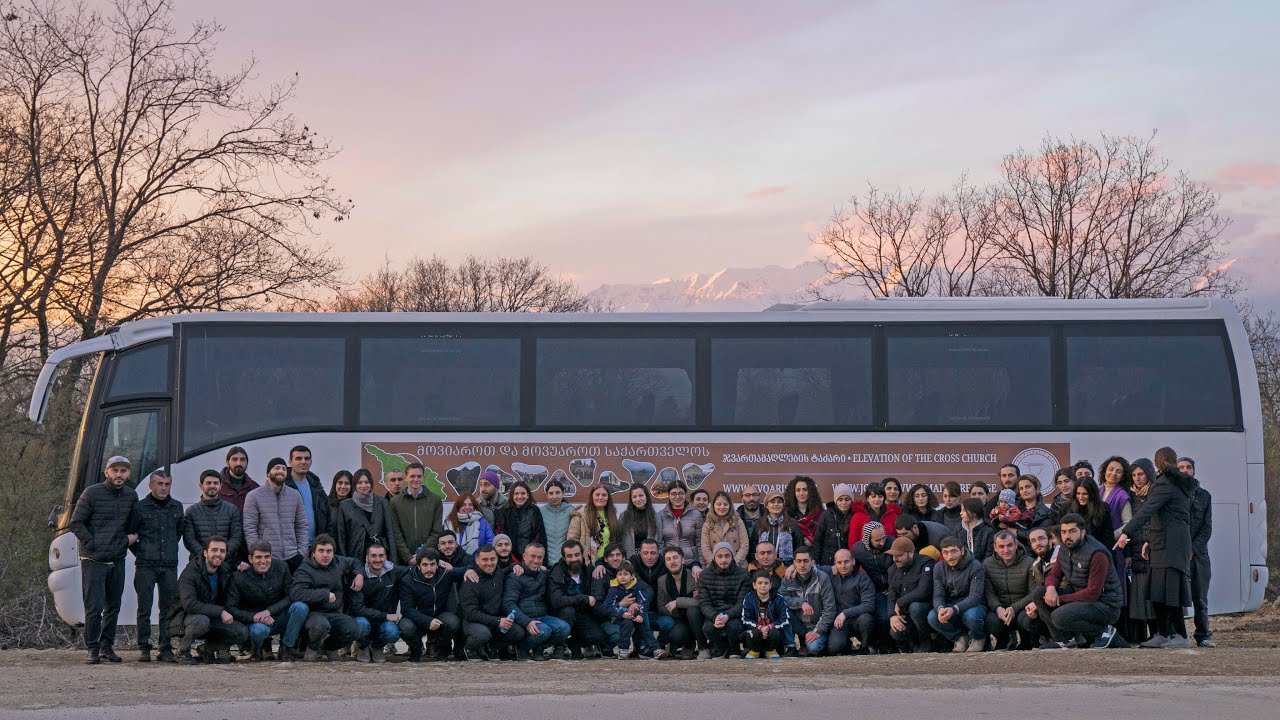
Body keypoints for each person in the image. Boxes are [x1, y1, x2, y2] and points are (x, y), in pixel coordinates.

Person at [1115, 447, 1197, 650]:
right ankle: (1163, 633)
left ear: (1159, 461)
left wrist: (1126, 534)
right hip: (1164, 543)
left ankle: (1179, 634)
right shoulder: (1176, 483)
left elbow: (1146, 511)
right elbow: (1164, 517)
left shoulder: (1166, 483)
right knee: (1160, 589)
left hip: (1170, 545)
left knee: (1171, 590)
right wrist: (1149, 541)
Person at [71, 455, 139, 664]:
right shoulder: (91, 493)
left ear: (128, 473)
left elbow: (132, 526)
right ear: (106, 472)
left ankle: (106, 647)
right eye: (115, 470)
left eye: (123, 471)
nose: (119, 474)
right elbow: (76, 523)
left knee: (113, 605)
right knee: (94, 607)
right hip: (92, 560)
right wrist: (93, 544)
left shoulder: (131, 496)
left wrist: (129, 540)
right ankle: (91, 648)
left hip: (117, 558)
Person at [1038, 513, 1123, 649]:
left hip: (1105, 604)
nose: (1067, 536)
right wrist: (1050, 589)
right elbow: (1054, 575)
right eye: (1064, 532)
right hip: (1081, 598)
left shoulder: (1097, 553)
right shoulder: (1064, 548)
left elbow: (1092, 593)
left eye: (1072, 531)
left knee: (1059, 616)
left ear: (1083, 532)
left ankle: (1104, 631)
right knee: (1039, 593)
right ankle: (1065, 640)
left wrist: (1059, 598)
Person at [167, 535, 249, 664]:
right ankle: (182, 651)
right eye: (214, 550)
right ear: (205, 553)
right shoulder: (190, 572)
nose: (218, 554)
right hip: (184, 617)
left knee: (242, 632)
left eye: (222, 551)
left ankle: (206, 649)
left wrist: (244, 568)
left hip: (211, 617)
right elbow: (190, 604)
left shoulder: (225, 570)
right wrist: (221, 612)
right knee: (202, 621)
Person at [129, 468, 182, 663]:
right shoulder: (140, 508)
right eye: (159, 484)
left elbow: (178, 534)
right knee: (144, 608)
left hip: (169, 565)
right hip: (145, 565)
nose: (164, 487)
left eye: (167, 484)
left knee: (167, 608)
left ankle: (165, 647)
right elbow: (131, 536)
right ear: (151, 485)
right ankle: (144, 647)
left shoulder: (177, 507)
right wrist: (143, 553)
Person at [227, 540, 303, 661]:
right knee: (258, 631)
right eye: (258, 557)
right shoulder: (239, 577)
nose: (263, 561)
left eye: (267, 556)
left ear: (271, 556)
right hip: (256, 621)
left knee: (300, 607)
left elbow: (292, 594)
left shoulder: (281, 567)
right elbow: (231, 608)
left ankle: (286, 647)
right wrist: (255, 616)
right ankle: (257, 648)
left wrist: (269, 611)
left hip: (279, 616)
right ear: (250, 559)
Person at [289, 534, 362, 661]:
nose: (325, 555)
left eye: (329, 551)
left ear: (333, 553)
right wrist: (324, 595)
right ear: (313, 553)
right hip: (313, 614)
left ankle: (329, 648)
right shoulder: (304, 569)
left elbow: (355, 562)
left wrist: (359, 574)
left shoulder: (339, 562)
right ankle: (312, 649)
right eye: (321, 551)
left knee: (354, 629)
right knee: (321, 625)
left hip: (333, 613)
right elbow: (296, 593)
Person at [502, 542, 571, 661]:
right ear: (524, 556)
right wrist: (527, 622)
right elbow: (508, 604)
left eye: (539, 557)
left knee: (564, 628)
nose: (536, 560)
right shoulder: (515, 577)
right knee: (544, 631)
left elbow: (561, 568)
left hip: (542, 617)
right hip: (523, 620)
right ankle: (521, 648)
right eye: (532, 556)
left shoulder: (544, 574)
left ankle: (538, 648)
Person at [459, 544, 525, 660]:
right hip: (473, 622)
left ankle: (490, 648)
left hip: (494, 621)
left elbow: (506, 570)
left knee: (518, 632)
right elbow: (470, 613)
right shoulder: (470, 581)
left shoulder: (498, 572)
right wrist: (498, 621)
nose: (489, 563)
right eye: (485, 559)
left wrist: (515, 565)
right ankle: (470, 648)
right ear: (477, 560)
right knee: (482, 634)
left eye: (492, 559)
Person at [243, 457, 309, 572]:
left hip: (293, 557)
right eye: (276, 468)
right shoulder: (254, 496)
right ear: (268, 473)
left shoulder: (295, 495)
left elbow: (302, 525)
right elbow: (250, 528)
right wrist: (257, 554)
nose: (281, 471)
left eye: (284, 469)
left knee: (293, 589)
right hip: (268, 558)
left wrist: (301, 553)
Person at [398, 548, 462, 661]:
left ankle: (442, 651)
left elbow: (465, 569)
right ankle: (416, 650)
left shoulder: (445, 574)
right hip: (417, 618)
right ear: (418, 565)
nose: (429, 569)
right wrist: (427, 621)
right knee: (404, 627)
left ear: (438, 565)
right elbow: (407, 609)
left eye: (432, 564)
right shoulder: (408, 580)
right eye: (425, 565)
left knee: (453, 621)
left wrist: (469, 571)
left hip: (439, 617)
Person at [548, 539, 608, 658]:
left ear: (582, 555)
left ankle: (580, 644)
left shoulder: (589, 570)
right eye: (569, 556)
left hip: (583, 613)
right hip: (562, 614)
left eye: (577, 555)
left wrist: (600, 565)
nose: (574, 559)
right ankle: (560, 646)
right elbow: (556, 601)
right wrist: (583, 598)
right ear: (564, 558)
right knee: (568, 611)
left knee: (597, 636)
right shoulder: (557, 572)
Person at [928, 536, 987, 653]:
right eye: (945, 553)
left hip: (974, 605)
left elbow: (976, 596)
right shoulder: (938, 567)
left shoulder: (975, 566)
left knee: (972, 616)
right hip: (951, 605)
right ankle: (959, 638)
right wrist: (940, 608)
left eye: (954, 551)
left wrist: (954, 609)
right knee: (933, 617)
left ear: (962, 550)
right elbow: (938, 595)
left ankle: (978, 637)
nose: (950, 557)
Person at [350, 541, 406, 663]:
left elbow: (415, 569)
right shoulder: (359, 577)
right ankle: (363, 646)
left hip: (384, 622)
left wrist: (439, 562)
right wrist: (385, 615)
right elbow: (358, 608)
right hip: (364, 619)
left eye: (381, 556)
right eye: (373, 556)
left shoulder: (394, 572)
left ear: (385, 557)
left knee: (392, 632)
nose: (377, 559)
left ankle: (376, 646)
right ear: (367, 558)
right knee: (360, 625)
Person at [1122, 457, 1157, 643]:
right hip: (1136, 553)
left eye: (1141, 474)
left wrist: (1150, 540)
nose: (1137, 478)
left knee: (1154, 597)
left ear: (1149, 474)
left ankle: (1158, 634)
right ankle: (1140, 638)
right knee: (1139, 599)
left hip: (1154, 551)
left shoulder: (1156, 493)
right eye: (1134, 475)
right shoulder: (1130, 497)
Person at [983, 530, 1037, 650]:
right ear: (995, 548)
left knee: (1028, 618)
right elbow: (989, 592)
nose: (1006, 550)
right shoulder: (987, 564)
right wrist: (997, 608)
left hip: (1022, 607)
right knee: (989, 620)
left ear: (1016, 544)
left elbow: (1033, 592)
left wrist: (1014, 607)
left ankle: (1027, 641)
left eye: (1009, 545)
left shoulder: (1029, 562)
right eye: (1001, 546)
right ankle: (1003, 640)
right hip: (1001, 609)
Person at [1181, 456, 1214, 647]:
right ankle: (1178, 635)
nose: (1185, 470)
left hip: (1199, 556)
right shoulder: (1173, 494)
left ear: (1193, 471)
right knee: (1176, 598)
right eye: (1181, 467)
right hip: (1177, 554)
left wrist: (1193, 549)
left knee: (1200, 597)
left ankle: (1203, 636)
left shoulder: (1204, 495)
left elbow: (1207, 527)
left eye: (1188, 467)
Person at [780, 545, 836, 656]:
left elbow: (830, 609)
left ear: (812, 562)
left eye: (806, 561)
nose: (802, 565)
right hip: (799, 625)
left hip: (817, 625)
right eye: (799, 561)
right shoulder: (788, 578)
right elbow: (781, 599)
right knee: (782, 609)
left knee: (814, 648)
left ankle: (819, 642)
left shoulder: (822, 578)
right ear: (794, 563)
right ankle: (790, 645)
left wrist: (817, 631)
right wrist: (801, 603)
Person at [335, 468, 399, 565]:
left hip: (379, 557)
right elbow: (341, 538)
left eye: (367, 482)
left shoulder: (382, 503)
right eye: (360, 482)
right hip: (355, 557)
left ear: (371, 483)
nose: (363, 485)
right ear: (354, 485)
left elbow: (390, 533)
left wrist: (393, 561)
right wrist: (344, 563)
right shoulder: (345, 506)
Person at [698, 542, 750, 658]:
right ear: (714, 557)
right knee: (709, 627)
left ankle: (734, 649)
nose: (723, 560)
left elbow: (742, 602)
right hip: (714, 613)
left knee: (733, 626)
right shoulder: (705, 575)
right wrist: (715, 616)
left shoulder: (743, 574)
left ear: (732, 556)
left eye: (727, 556)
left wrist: (728, 615)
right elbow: (704, 602)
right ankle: (720, 648)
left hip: (734, 614)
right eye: (719, 556)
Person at [183, 469, 245, 567]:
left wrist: (221, 555)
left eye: (215, 483)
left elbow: (236, 537)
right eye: (208, 483)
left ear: (220, 486)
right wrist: (207, 557)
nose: (212, 485)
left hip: (226, 564)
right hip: (199, 564)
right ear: (201, 486)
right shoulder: (191, 511)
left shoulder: (232, 509)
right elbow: (189, 539)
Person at [886, 537, 934, 653]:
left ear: (911, 553)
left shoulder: (926, 563)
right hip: (905, 613)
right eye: (893, 556)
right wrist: (892, 616)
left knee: (915, 608)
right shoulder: (892, 570)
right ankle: (912, 644)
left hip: (926, 608)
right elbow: (891, 595)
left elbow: (924, 590)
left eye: (899, 555)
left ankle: (927, 640)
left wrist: (900, 601)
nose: (895, 559)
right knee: (895, 631)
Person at [654, 545, 703, 659]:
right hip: (678, 618)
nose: (672, 562)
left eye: (675, 557)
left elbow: (700, 602)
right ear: (665, 563)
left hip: (698, 618)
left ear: (683, 559)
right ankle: (687, 646)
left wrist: (677, 602)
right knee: (676, 634)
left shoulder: (694, 576)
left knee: (692, 611)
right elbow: (661, 606)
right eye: (668, 559)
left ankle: (703, 647)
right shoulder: (662, 581)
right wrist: (679, 612)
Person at [604, 561, 659, 659]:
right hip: (619, 617)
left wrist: (640, 614)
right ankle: (623, 650)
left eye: (626, 574)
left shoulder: (637, 587)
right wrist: (622, 613)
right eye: (619, 574)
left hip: (635, 614)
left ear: (632, 576)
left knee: (644, 626)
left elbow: (644, 601)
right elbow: (608, 606)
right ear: (616, 576)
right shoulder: (613, 589)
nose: (622, 577)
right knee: (627, 623)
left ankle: (655, 649)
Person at [390, 462, 444, 561]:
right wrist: (408, 557)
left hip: (428, 558)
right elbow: (396, 533)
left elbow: (436, 531)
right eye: (412, 476)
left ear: (423, 478)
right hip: (404, 559)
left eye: (419, 476)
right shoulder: (395, 502)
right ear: (406, 478)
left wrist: (422, 553)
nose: (416, 479)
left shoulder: (435, 500)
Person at [827, 548, 877, 655]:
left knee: (866, 619)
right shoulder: (830, 574)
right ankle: (847, 646)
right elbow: (812, 567)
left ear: (853, 561)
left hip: (858, 619)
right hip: (839, 622)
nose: (843, 565)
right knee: (835, 648)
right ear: (835, 564)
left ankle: (865, 647)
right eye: (839, 563)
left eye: (846, 561)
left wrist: (845, 613)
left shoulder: (863, 578)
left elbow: (869, 605)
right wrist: (792, 567)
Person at [851, 522, 892, 646]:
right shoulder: (858, 550)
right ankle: (881, 645)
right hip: (876, 589)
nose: (882, 542)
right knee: (883, 617)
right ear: (867, 539)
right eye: (877, 540)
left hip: (895, 586)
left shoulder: (892, 543)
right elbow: (852, 569)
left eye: (884, 537)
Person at [285, 445, 330, 542]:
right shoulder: (282, 487)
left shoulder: (317, 488)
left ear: (311, 462)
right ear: (290, 462)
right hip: (291, 547)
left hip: (316, 547)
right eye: (298, 458)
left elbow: (328, 519)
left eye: (307, 458)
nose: (303, 462)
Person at [741, 570, 790, 659]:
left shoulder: (779, 598)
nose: (763, 585)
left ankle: (770, 651)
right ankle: (754, 651)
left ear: (770, 585)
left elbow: (784, 619)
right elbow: (745, 619)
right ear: (754, 585)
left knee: (774, 632)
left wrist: (770, 626)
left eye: (766, 583)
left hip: (772, 635)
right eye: (760, 583)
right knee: (753, 632)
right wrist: (759, 627)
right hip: (756, 633)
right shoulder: (748, 598)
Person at [494, 480, 548, 558]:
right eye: (516, 494)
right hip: (509, 558)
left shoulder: (534, 510)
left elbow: (539, 535)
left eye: (523, 493)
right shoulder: (503, 511)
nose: (520, 497)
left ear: (528, 495)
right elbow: (501, 535)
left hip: (531, 557)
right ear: (512, 495)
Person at [660, 481, 704, 571]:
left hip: (691, 563)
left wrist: (701, 565)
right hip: (669, 563)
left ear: (685, 494)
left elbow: (700, 543)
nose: (677, 497)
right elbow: (659, 542)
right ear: (668, 495)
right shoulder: (661, 515)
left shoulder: (696, 515)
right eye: (673, 494)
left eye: (681, 493)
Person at [570, 485, 620, 561]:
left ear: (608, 498)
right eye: (597, 494)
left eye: (604, 495)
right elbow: (572, 541)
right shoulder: (580, 515)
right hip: (589, 562)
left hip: (609, 561)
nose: (600, 498)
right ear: (591, 497)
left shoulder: (611, 515)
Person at [701, 490, 750, 566]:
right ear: (713, 505)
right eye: (719, 504)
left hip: (737, 565)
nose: (722, 507)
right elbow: (705, 548)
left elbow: (745, 545)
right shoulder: (708, 523)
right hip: (714, 567)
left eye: (725, 504)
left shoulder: (738, 521)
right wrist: (716, 565)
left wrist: (734, 563)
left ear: (730, 506)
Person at [752, 491, 801, 564]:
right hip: (763, 567)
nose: (776, 504)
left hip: (787, 567)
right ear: (766, 505)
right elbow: (753, 548)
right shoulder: (759, 524)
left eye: (779, 502)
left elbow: (799, 546)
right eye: (772, 502)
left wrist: (793, 565)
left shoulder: (792, 523)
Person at [813, 484, 855, 566]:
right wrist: (816, 565)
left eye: (847, 499)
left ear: (852, 500)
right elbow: (818, 541)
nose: (844, 503)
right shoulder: (827, 515)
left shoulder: (856, 515)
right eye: (840, 499)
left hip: (849, 564)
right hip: (829, 565)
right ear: (835, 501)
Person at [618, 484, 664, 558]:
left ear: (646, 497)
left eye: (641, 495)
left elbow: (660, 542)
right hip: (630, 558)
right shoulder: (623, 516)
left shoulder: (656, 516)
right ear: (631, 499)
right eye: (634, 497)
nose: (638, 499)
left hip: (650, 558)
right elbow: (619, 541)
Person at [849, 482, 899, 550]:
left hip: (888, 556)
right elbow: (853, 543)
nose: (877, 499)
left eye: (880, 496)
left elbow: (897, 539)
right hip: (865, 557)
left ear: (884, 498)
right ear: (867, 498)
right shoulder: (858, 517)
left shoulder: (893, 516)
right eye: (873, 496)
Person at [448, 492, 496, 557]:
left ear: (474, 506)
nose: (467, 507)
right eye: (463, 504)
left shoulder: (482, 521)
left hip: (476, 561)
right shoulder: (449, 521)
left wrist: (479, 557)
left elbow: (490, 541)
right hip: (453, 561)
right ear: (458, 506)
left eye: (470, 504)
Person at [540, 479, 574, 566]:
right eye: (551, 493)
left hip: (566, 562)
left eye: (557, 493)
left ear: (563, 493)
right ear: (547, 495)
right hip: (545, 563)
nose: (554, 496)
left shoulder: (571, 511)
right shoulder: (540, 512)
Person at [1072, 477, 1115, 545]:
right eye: (1078, 493)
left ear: (1092, 493)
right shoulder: (1067, 508)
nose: (1080, 497)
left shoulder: (1103, 509)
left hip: (1096, 551)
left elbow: (1108, 538)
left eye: (1084, 494)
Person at [784, 475, 825, 546]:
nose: (801, 493)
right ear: (793, 493)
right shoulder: (786, 513)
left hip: (815, 553)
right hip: (793, 552)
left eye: (805, 490)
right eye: (798, 490)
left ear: (811, 492)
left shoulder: (820, 513)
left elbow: (824, 535)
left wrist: (812, 540)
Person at [219, 446, 258, 513]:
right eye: (235, 459)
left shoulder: (254, 488)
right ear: (227, 463)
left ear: (247, 463)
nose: (239, 463)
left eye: (242, 460)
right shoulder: (217, 486)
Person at [959, 497, 995, 562]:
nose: (960, 513)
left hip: (982, 569)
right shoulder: (959, 530)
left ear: (974, 512)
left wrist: (977, 568)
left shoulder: (988, 531)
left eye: (964, 510)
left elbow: (989, 556)